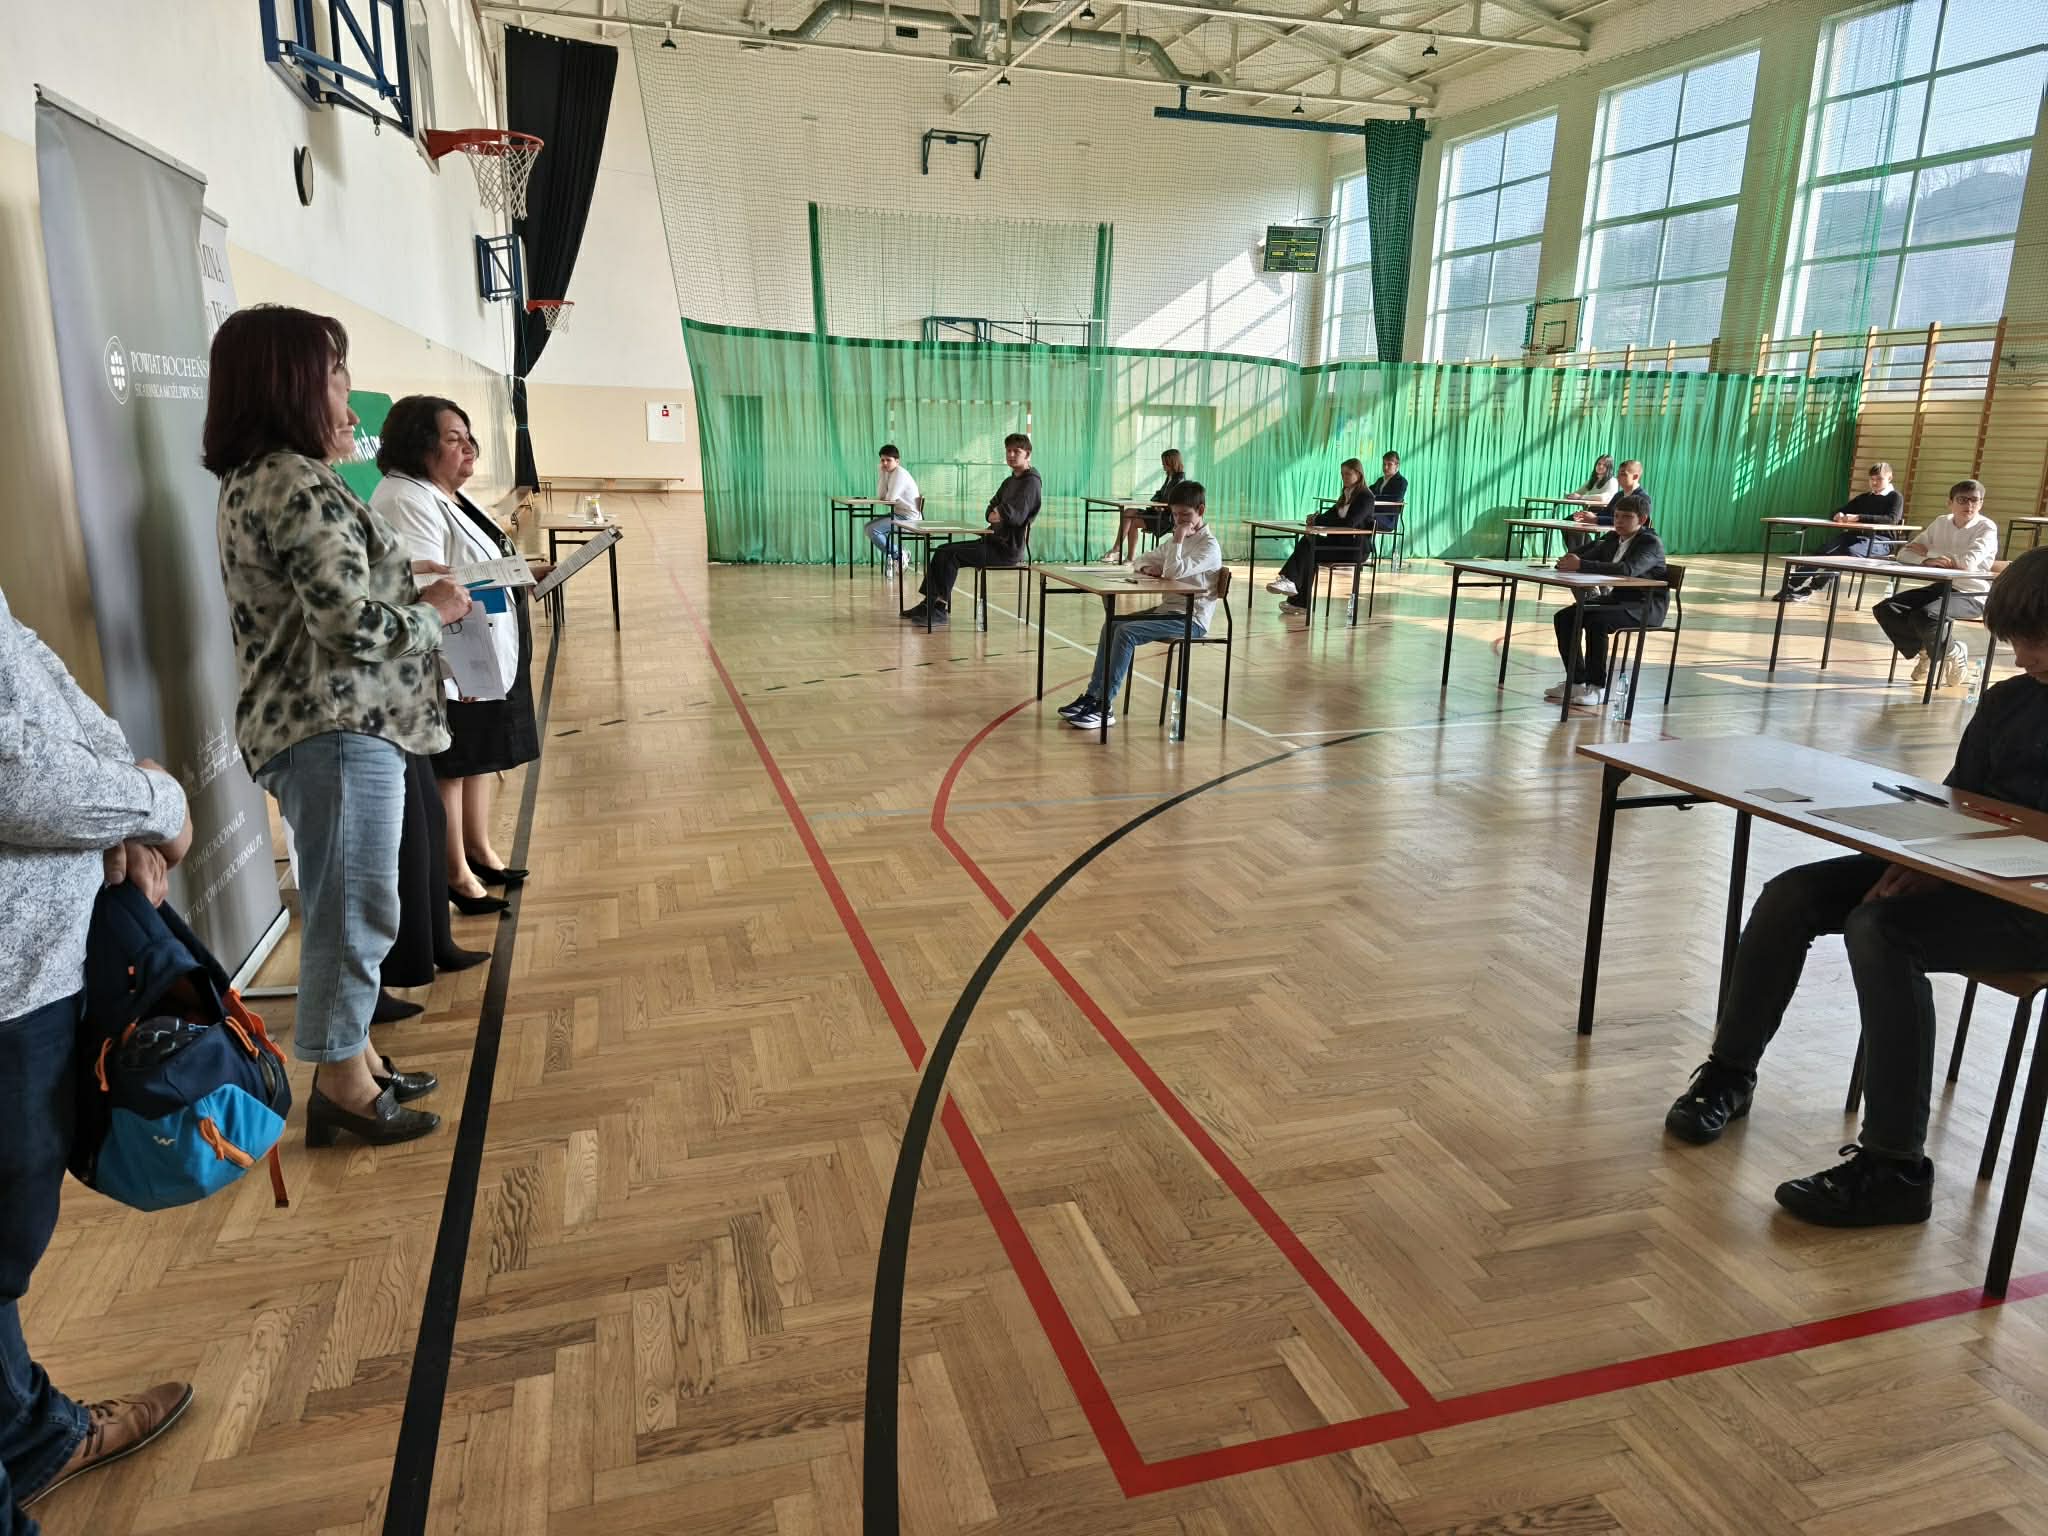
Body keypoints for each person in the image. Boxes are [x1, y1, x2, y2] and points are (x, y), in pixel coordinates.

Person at [1664, 546, 2048, 1226]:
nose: (2021, 657)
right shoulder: (2010, 701)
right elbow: (1962, 801)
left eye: (2036, 641)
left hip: (2035, 909)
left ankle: (1895, 1167)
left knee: (1882, 930)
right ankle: (1729, 1073)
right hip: (1972, 875)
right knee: (1792, 894)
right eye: (2014, 640)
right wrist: (1918, 856)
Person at [206, 306, 470, 1148]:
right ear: (289, 385)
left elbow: (324, 595)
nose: (348, 397)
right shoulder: (292, 481)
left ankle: (357, 1059)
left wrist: (398, 577)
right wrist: (432, 613)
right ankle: (342, 1086)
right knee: (354, 911)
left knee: (354, 903)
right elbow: (348, 625)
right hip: (335, 727)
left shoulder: (267, 477)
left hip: (327, 727)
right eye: (334, 374)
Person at [0, 586, 198, 1527]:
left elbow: (39, 682)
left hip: (33, 977)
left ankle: (29, 1437)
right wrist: (154, 800)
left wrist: (122, 801)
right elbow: (11, 772)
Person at [371, 396, 550, 917]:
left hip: (483, 645)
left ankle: (479, 850)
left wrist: (518, 572)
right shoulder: (405, 498)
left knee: (481, 757)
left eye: (469, 437)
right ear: (419, 444)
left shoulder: (448, 492)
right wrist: (454, 666)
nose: (469, 448)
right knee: (454, 764)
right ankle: (456, 873)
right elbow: (425, 585)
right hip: (453, 654)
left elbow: (471, 564)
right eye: (454, 439)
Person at [1057, 481, 1222, 731]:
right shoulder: (1177, 539)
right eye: (1175, 515)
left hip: (1192, 619)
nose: (1179, 521)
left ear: (1201, 510)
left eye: (1185, 515)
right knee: (1112, 625)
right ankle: (1092, 695)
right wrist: (1148, 567)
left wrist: (1177, 541)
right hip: (1168, 611)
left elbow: (1173, 571)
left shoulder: (1208, 546)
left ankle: (1104, 706)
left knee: (1126, 632)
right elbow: (1140, 560)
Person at [902, 433, 1041, 628]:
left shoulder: (1031, 482)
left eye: (1016, 451)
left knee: (951, 555)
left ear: (1027, 454)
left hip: (1006, 550)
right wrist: (997, 512)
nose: (1010, 455)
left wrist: (1000, 512)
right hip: (991, 540)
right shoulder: (1009, 481)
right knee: (942, 550)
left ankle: (940, 608)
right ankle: (928, 604)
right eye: (1008, 451)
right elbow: (991, 509)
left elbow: (1015, 515)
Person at [1870, 479, 1999, 689]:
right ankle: (1929, 651)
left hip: (1972, 593)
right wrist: (1926, 561)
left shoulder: (1986, 527)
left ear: (1981, 503)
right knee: (1887, 608)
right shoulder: (1941, 522)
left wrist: (1930, 552)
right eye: (1962, 500)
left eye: (1975, 500)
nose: (1969, 505)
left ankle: (1953, 652)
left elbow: (1967, 563)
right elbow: (1905, 552)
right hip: (1943, 587)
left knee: (1926, 615)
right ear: (1950, 503)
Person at [1545, 489, 1666, 708]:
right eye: (1617, 516)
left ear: (1642, 520)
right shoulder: (1612, 538)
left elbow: (1627, 569)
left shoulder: (1650, 543)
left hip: (1643, 607)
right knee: (1565, 616)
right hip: (1616, 601)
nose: (1619, 521)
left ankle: (1597, 687)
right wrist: (1569, 560)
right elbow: (1586, 556)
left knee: (1597, 621)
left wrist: (1582, 564)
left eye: (1626, 517)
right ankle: (1576, 682)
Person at [1774, 463, 1906, 602]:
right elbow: (1839, 511)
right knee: (1824, 550)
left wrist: (1858, 517)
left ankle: (1811, 588)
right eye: (1872, 479)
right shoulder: (1864, 497)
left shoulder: (1895, 497)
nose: (1874, 483)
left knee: (1846, 553)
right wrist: (1838, 514)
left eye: (1879, 479)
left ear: (1889, 478)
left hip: (1881, 541)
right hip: (1854, 537)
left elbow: (1891, 519)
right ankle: (1791, 585)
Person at [1265, 457, 1371, 614]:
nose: (1344, 477)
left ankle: (1291, 585)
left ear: (1359, 474)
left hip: (1354, 550)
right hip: (1338, 545)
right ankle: (1298, 600)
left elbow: (1350, 522)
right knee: (1309, 543)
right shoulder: (1346, 495)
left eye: (1348, 474)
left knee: (1310, 546)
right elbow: (1330, 515)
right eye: (1342, 474)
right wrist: (1315, 518)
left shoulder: (1366, 497)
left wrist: (1320, 520)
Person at [1105, 449, 1187, 563]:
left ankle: (1126, 556)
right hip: (1158, 512)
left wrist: (1161, 504)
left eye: (1165, 463)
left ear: (1172, 462)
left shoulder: (1179, 480)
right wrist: (1157, 502)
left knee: (1133, 522)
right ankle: (1118, 550)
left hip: (1166, 519)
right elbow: (1159, 494)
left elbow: (1173, 502)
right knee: (1128, 512)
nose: (1163, 465)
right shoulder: (1170, 477)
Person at [1564, 459, 1650, 551]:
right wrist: (1587, 515)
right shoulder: (1619, 495)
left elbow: (1627, 522)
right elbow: (1606, 512)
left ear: (1635, 476)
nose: (1618, 477)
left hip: (1627, 540)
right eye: (1618, 473)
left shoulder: (1642, 498)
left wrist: (1596, 519)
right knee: (1571, 521)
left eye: (1623, 474)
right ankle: (1575, 554)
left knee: (1589, 550)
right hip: (1614, 536)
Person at [865, 445, 921, 566]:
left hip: (909, 519)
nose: (885, 463)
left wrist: (887, 495)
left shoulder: (900, 474)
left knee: (872, 529)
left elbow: (890, 498)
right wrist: (881, 473)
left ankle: (898, 554)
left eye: (888, 460)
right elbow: (881, 496)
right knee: (868, 527)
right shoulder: (888, 473)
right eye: (882, 460)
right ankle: (898, 554)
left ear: (897, 461)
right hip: (899, 514)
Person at [1365, 450, 1408, 533]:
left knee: (1363, 517)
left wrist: (1374, 498)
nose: (1385, 467)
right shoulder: (1380, 480)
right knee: (1358, 514)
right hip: (1374, 514)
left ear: (1397, 466)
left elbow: (1396, 499)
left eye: (1389, 464)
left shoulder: (1401, 481)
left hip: (1388, 520)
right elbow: (1368, 492)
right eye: (1384, 464)